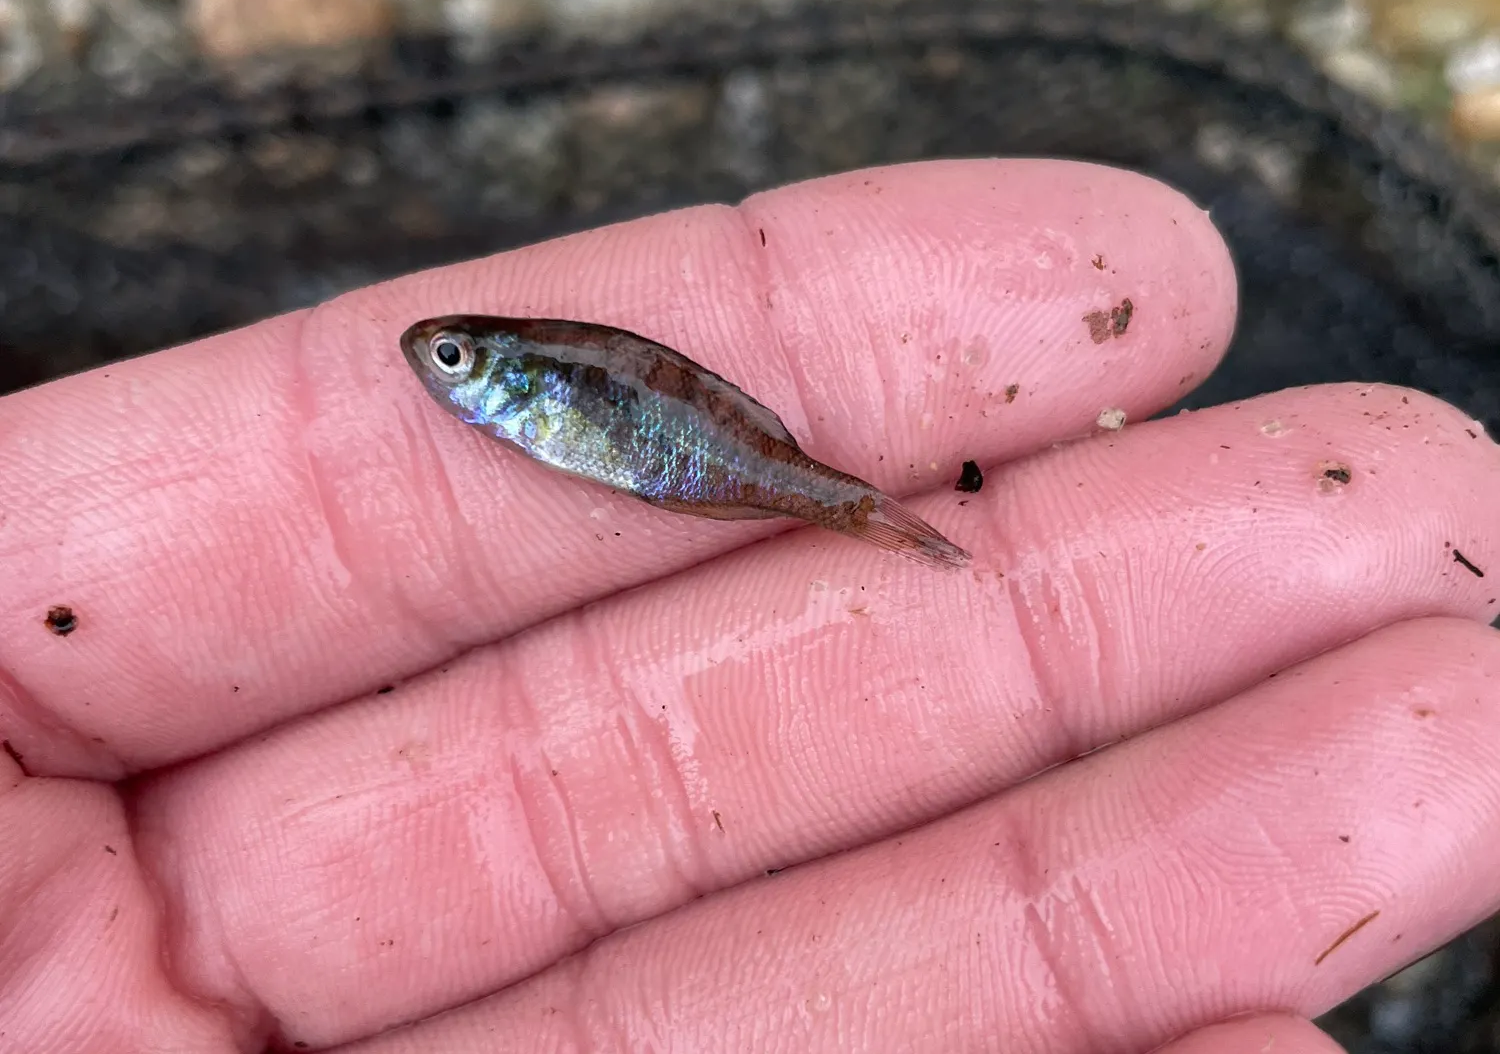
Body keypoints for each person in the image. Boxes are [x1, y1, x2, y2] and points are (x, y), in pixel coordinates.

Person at [1, 157, 1497, 1054]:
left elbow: (634, 404)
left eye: (458, 362)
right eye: (458, 364)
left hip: (732, 461)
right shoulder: (523, 391)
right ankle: (866, 518)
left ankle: (870, 517)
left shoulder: (537, 384)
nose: (446, 372)